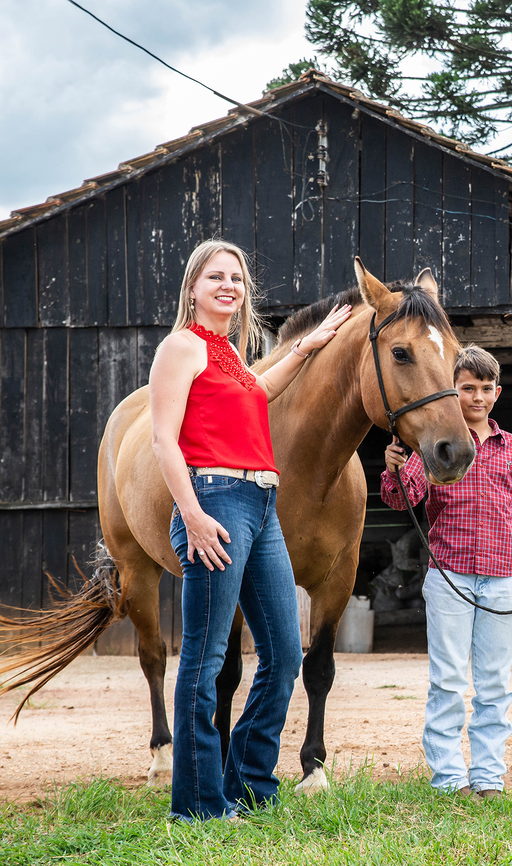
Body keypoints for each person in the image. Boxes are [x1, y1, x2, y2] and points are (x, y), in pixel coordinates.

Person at [149, 239, 351, 821]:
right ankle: (197, 805)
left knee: (285, 654)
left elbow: (258, 391)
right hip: (215, 500)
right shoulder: (181, 347)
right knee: (206, 659)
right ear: (193, 287)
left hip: (262, 503)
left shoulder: (230, 355)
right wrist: (191, 513)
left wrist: (308, 347)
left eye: (236, 278)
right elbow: (165, 438)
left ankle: (247, 786)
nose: (228, 286)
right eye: (215, 277)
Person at [380, 345, 512, 798]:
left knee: (494, 683)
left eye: (485, 389)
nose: (476, 397)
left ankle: (488, 776)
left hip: (503, 576)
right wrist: (394, 469)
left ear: (497, 393)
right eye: (466, 388)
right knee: (448, 679)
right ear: (452, 391)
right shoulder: (433, 443)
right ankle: (450, 778)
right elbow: (401, 499)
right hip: (450, 574)